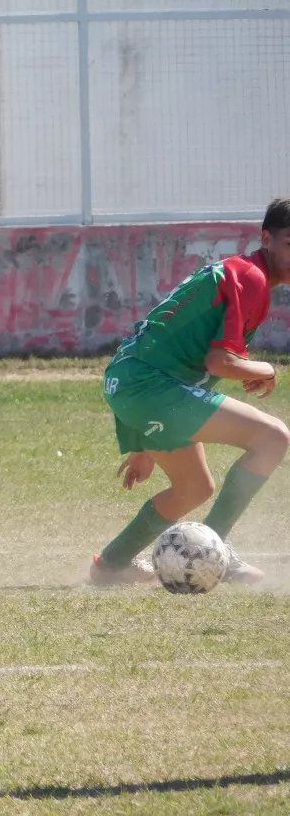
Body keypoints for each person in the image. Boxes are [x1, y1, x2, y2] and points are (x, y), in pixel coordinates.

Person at [89, 197, 290, 586]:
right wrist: (268, 370)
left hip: (131, 380)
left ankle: (110, 566)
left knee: (194, 487)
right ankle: (215, 549)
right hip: (149, 385)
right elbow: (219, 363)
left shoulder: (238, 271)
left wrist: (145, 442)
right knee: (273, 438)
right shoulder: (251, 278)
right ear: (267, 238)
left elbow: (184, 354)